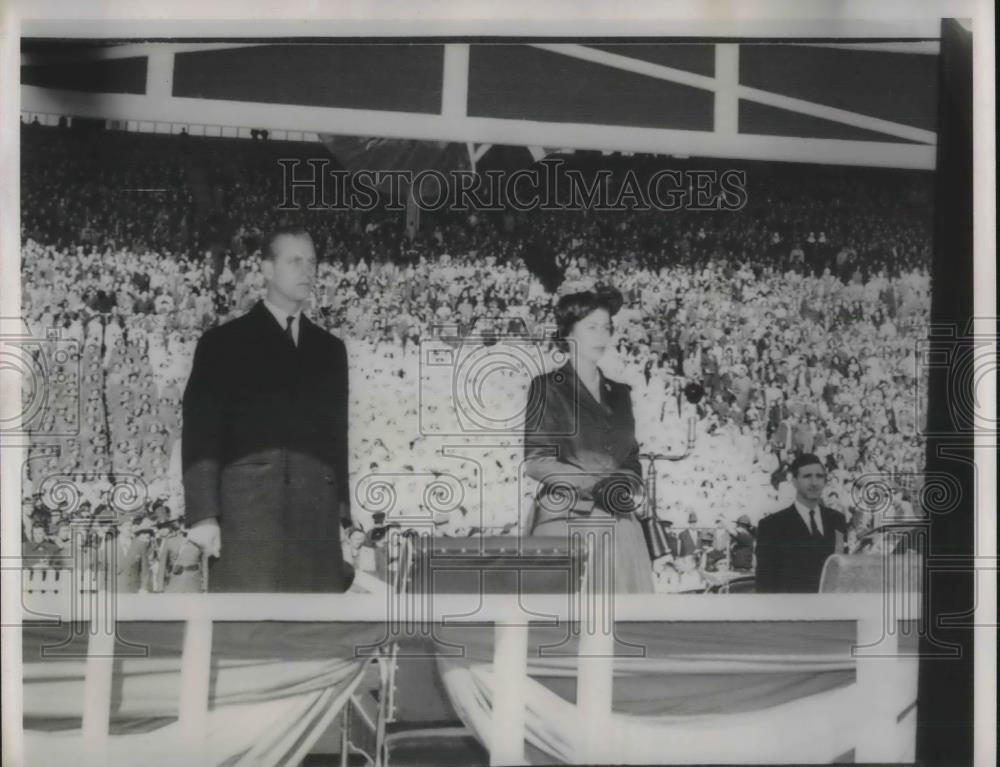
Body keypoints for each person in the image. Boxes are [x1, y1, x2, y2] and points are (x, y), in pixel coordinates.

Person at [182, 226, 354, 592]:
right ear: (266, 269)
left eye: (312, 262)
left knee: (314, 638)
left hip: (316, 518)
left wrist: (342, 516)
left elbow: (336, 439)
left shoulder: (331, 350)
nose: (307, 271)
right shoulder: (223, 344)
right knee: (247, 639)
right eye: (295, 261)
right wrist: (203, 516)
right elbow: (200, 434)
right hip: (249, 517)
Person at [523, 287, 652, 593]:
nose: (602, 337)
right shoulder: (547, 387)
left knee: (626, 624)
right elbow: (537, 461)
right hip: (565, 519)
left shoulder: (621, 394)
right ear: (568, 333)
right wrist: (595, 485)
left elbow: (631, 458)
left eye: (606, 328)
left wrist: (624, 483)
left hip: (619, 523)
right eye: (591, 327)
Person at [755, 453, 847, 593]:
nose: (814, 483)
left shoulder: (837, 519)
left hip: (830, 608)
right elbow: (765, 584)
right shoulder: (771, 525)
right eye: (807, 476)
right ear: (794, 481)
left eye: (819, 476)